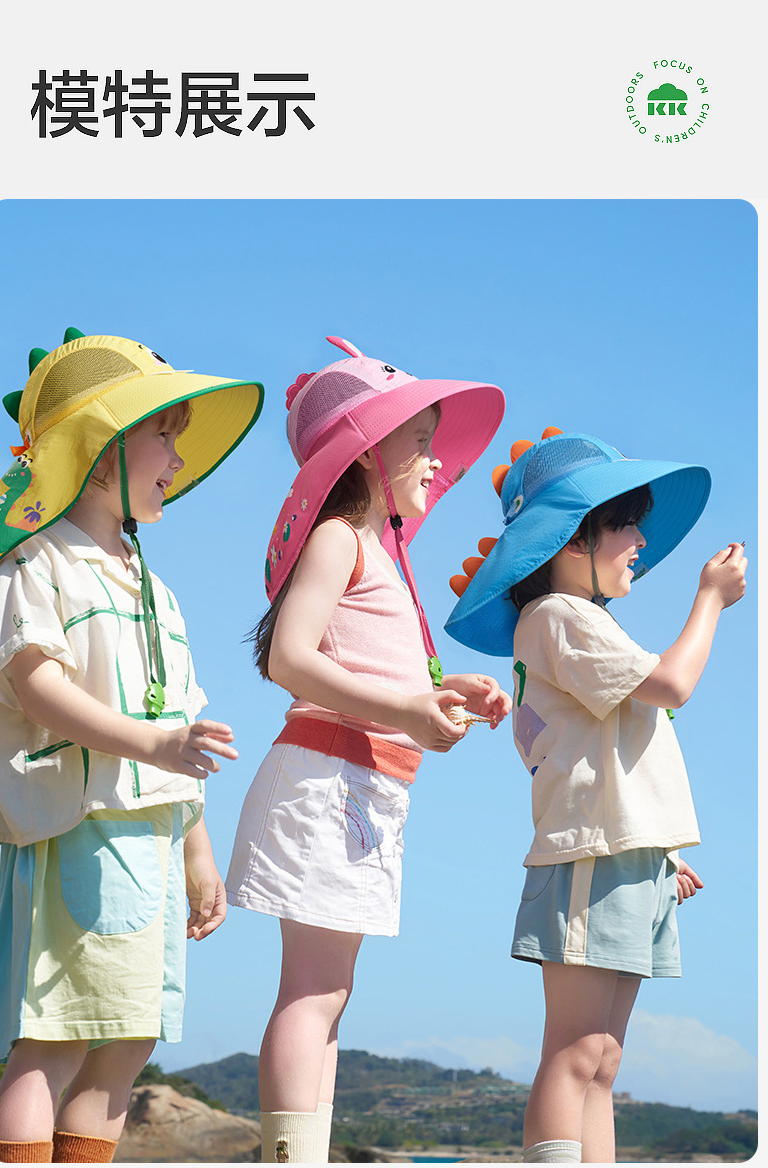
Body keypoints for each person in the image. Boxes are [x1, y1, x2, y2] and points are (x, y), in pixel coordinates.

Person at [225, 336, 510, 1163]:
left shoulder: (379, 548)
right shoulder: (341, 537)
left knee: (329, 992)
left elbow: (365, 666)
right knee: (315, 990)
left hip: (359, 786)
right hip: (327, 779)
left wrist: (444, 690)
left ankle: (303, 1152)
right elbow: (290, 659)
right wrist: (409, 708)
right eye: (420, 441)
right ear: (365, 450)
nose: (437, 460)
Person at [0, 328, 264, 1164]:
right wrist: (155, 743)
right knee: (56, 1037)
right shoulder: (38, 561)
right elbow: (36, 685)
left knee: (128, 1036)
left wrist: (199, 854)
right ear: (102, 447)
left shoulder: (156, 588)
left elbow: (182, 731)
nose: (178, 459)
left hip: (152, 837)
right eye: (164, 436)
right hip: (86, 824)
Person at [445, 428, 747, 1164]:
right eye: (625, 525)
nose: (640, 541)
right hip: (591, 853)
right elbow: (671, 684)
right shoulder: (558, 616)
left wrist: (661, 850)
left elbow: (610, 755)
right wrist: (710, 600)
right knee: (577, 1051)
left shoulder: (574, 621)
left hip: (621, 850)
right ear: (572, 539)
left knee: (603, 1060)